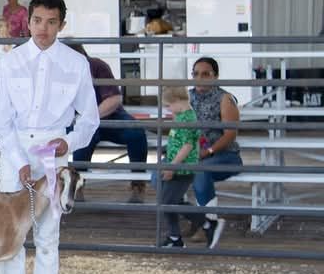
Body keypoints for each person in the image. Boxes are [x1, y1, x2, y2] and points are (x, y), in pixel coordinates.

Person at [0, 0, 99, 274]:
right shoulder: (11, 62)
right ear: (29, 21)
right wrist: (18, 160)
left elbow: (89, 119)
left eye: (52, 22)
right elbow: (3, 121)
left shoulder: (76, 64)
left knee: (48, 232)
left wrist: (68, 142)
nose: (44, 29)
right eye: (38, 21)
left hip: (54, 150)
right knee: (12, 232)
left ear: (61, 25)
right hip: (16, 149)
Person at [67, 43, 149, 203]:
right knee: (82, 137)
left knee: (136, 131)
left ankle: (138, 184)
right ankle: (77, 186)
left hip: (109, 116)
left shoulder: (97, 66)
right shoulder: (60, 71)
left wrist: (90, 117)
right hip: (78, 119)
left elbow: (114, 99)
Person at [187, 56, 242, 248]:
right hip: (195, 154)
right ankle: (195, 220)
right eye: (195, 74)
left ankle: (207, 224)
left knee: (200, 171)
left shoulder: (225, 98)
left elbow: (230, 135)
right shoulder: (188, 96)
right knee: (162, 172)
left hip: (225, 155)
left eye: (205, 74)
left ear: (215, 76)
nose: (199, 78)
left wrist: (207, 151)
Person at [156, 86, 199, 248]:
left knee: (167, 202)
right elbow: (181, 141)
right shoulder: (182, 116)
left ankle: (207, 222)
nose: (167, 109)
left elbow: (187, 146)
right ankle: (175, 238)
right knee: (168, 200)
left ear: (177, 101)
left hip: (181, 167)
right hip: (177, 164)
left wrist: (172, 167)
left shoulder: (186, 119)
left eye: (168, 105)